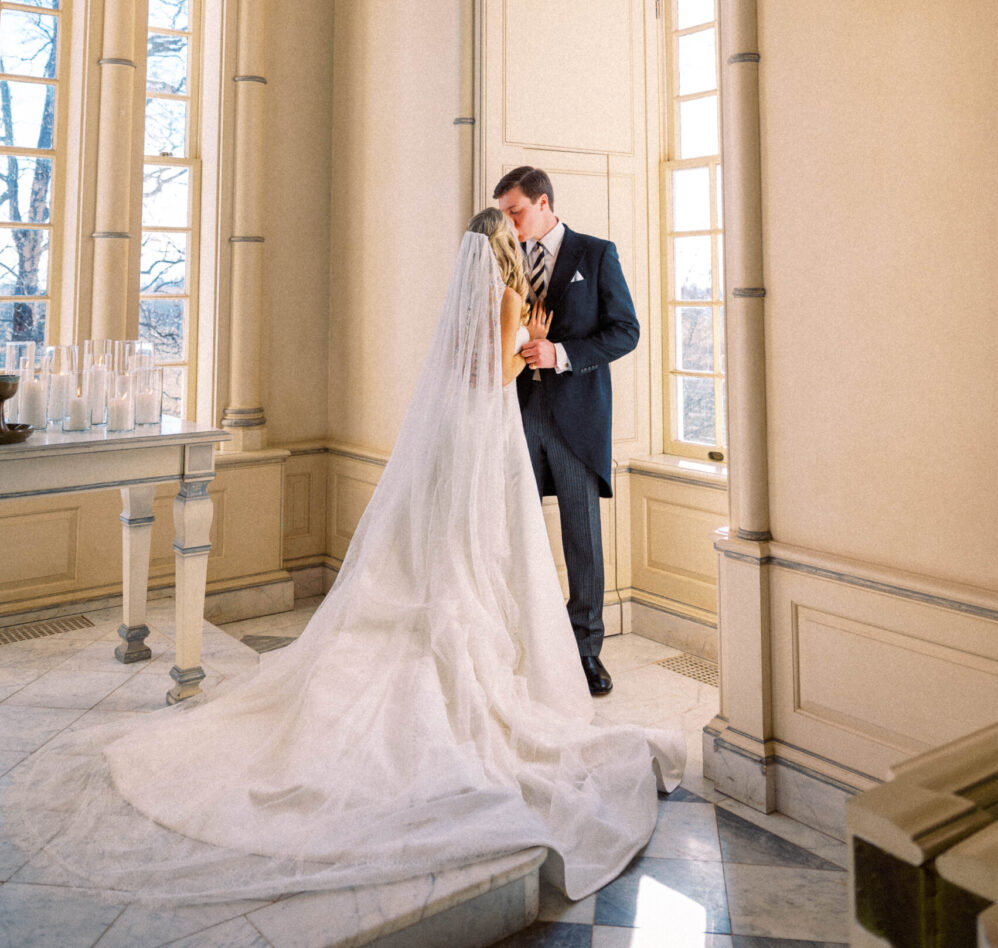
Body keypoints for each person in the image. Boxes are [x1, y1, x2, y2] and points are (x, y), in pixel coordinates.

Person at [6, 212, 682, 908]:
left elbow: (468, 368)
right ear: (504, 249)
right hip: (491, 432)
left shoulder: (469, 300)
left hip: (468, 435)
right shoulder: (509, 297)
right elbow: (497, 374)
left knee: (453, 546)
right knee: (482, 549)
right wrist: (531, 339)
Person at [495, 167, 640, 698]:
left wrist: (560, 353)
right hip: (514, 413)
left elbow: (625, 332)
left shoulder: (596, 254)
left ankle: (585, 651)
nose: (510, 224)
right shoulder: (503, 258)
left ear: (543, 202)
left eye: (516, 211)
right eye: (504, 214)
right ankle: (521, 642)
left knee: (582, 537)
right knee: (515, 532)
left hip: (576, 420)